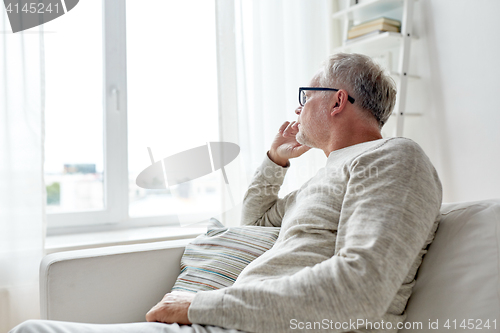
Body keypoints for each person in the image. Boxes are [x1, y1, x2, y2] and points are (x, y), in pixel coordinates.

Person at [11, 53, 442, 333]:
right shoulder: (323, 182)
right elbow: (254, 222)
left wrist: (203, 304)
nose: (297, 108)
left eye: (305, 95)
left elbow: (361, 290)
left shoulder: (393, 158)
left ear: (336, 101)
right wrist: (275, 161)